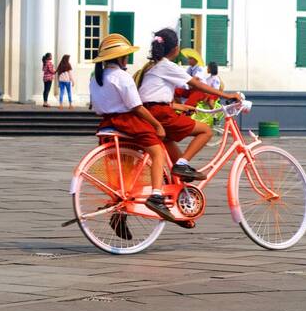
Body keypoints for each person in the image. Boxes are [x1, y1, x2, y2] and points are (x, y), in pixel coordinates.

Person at [135, 28, 242, 221]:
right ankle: (183, 164)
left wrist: (177, 106)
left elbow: (152, 93)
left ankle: (182, 202)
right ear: (175, 49)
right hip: (160, 113)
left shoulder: (152, 66)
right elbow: (195, 85)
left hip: (150, 112)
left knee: (170, 148)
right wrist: (227, 95)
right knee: (206, 131)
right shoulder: (167, 65)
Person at [88, 33, 174, 238]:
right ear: (120, 58)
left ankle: (119, 212)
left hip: (107, 124)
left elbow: (96, 106)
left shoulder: (95, 78)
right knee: (156, 152)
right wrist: (156, 124)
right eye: (125, 56)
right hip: (127, 121)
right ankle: (156, 196)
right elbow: (137, 107)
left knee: (126, 172)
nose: (127, 59)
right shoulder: (122, 77)